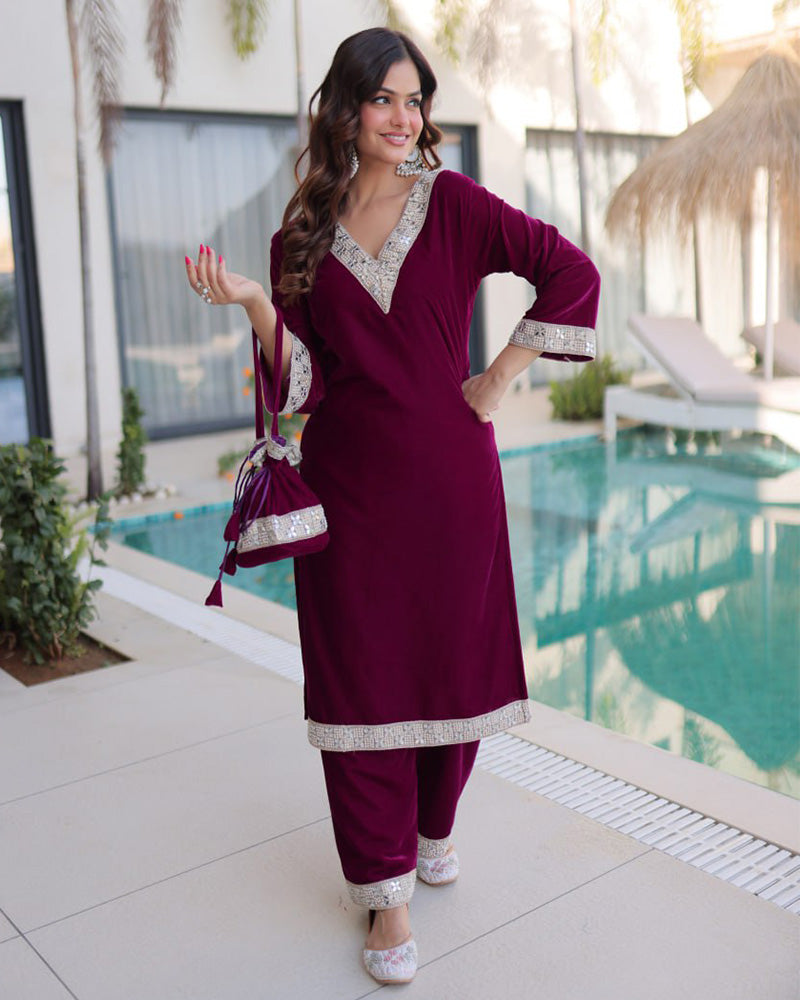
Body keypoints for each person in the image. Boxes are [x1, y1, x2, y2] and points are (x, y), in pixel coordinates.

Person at [185, 26, 600, 986]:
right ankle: (386, 896)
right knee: (360, 686)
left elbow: (570, 270)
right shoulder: (300, 234)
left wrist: (498, 376)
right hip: (350, 499)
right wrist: (255, 303)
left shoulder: (453, 203)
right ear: (347, 106)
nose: (404, 118)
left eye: (416, 101)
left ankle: (431, 826)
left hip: (452, 488)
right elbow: (300, 387)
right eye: (384, 99)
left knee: (454, 675)